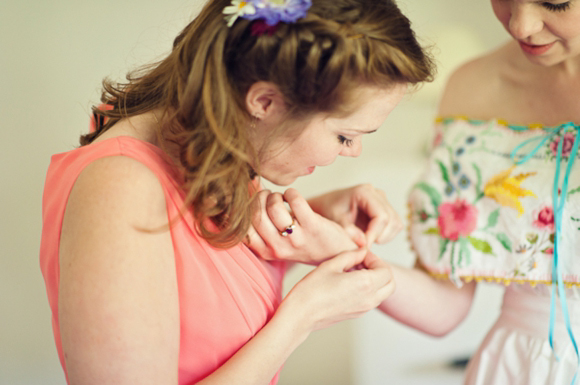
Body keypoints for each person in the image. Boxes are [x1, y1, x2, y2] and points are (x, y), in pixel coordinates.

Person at [39, 0, 434, 384]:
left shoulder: (218, 154)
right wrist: (302, 317)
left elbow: (205, 272)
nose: (353, 151)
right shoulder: (119, 189)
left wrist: (314, 215)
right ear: (264, 101)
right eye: (344, 135)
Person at [376, 0, 580, 384]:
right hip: (517, 368)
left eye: (555, 2)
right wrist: (343, 254)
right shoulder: (476, 88)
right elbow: (443, 307)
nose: (521, 25)